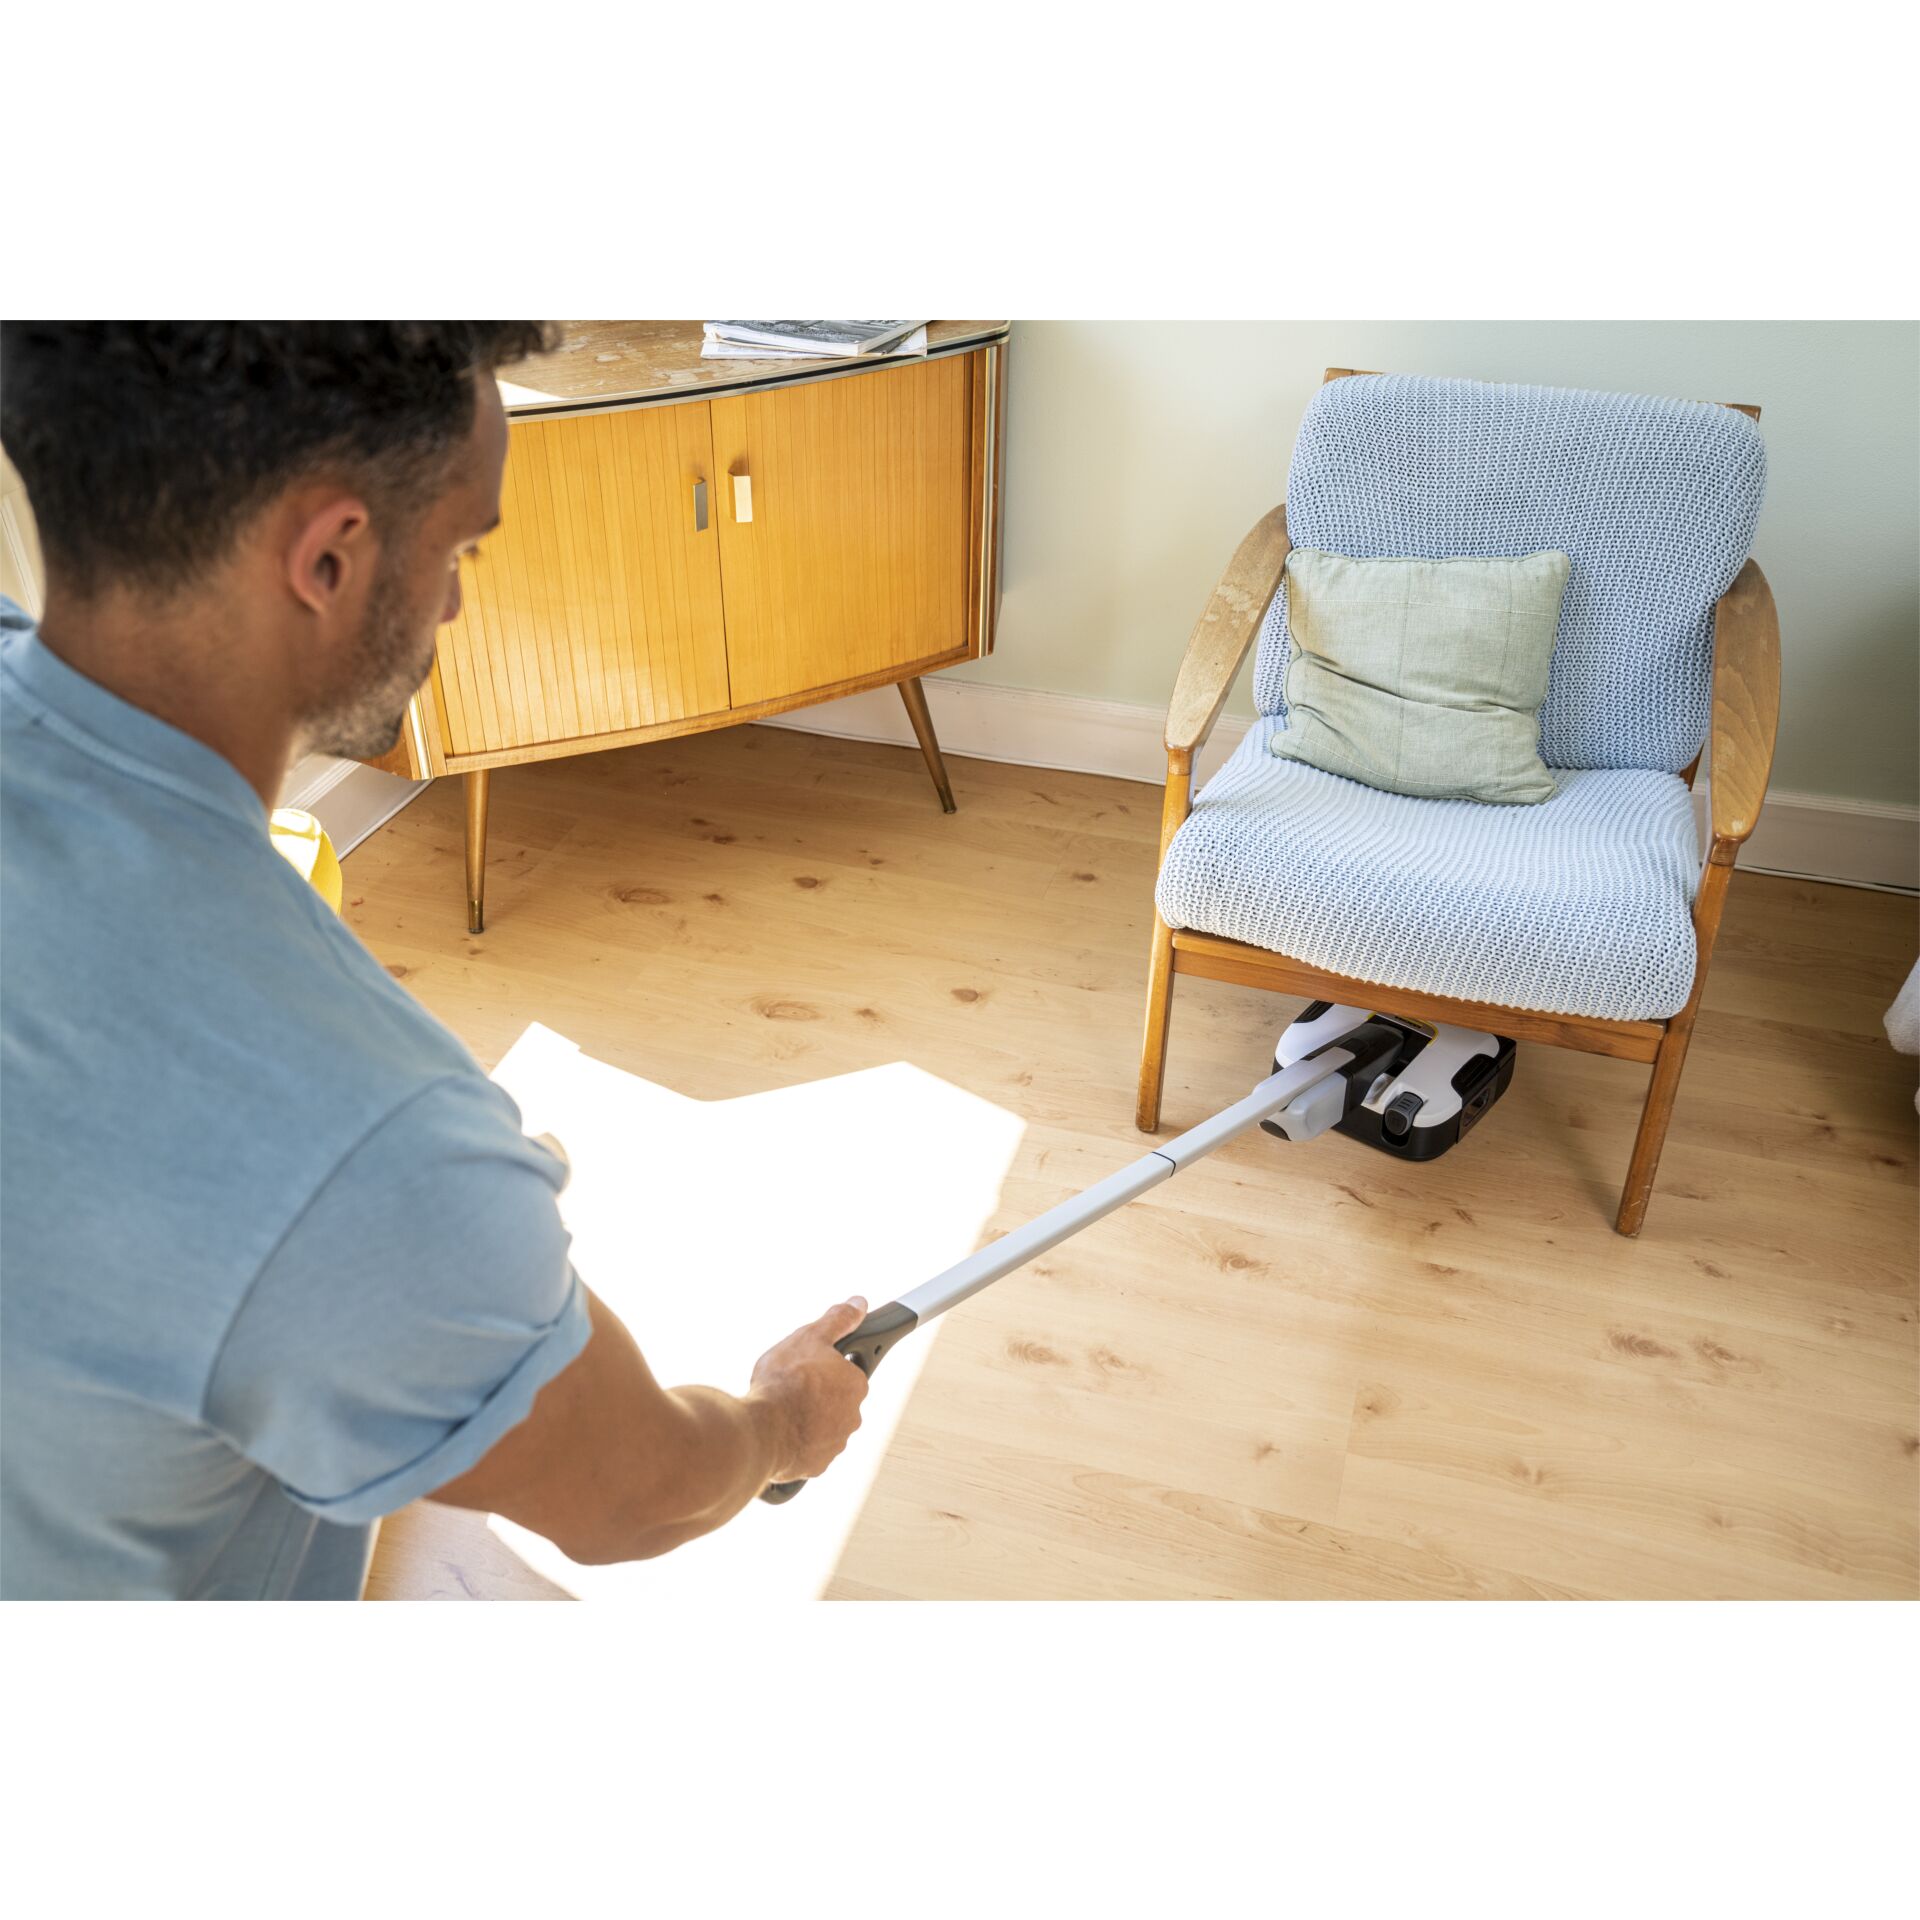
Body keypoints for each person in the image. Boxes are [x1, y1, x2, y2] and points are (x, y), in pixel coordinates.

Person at [0, 322, 870, 1599]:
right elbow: (636, 1494)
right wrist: (784, 1419)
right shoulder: (364, 1140)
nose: (457, 602)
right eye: (459, 546)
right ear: (329, 558)